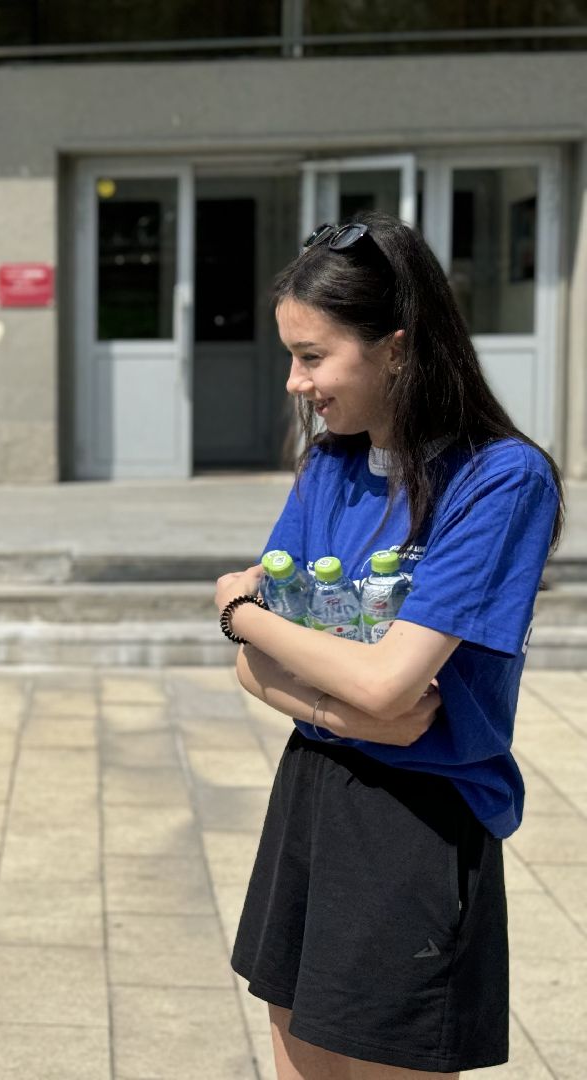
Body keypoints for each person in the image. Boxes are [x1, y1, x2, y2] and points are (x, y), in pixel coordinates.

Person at [215, 211, 565, 1078]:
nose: (297, 383)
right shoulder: (330, 464)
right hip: (314, 787)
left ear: (398, 348)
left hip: (417, 821)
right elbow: (281, 679)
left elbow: (377, 680)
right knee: (296, 1057)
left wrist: (239, 610)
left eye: (313, 356)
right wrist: (343, 706)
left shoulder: (498, 481)